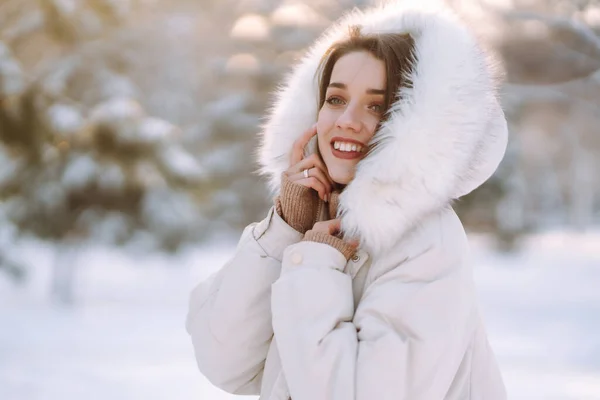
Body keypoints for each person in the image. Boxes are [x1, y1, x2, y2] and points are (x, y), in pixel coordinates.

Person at [186, 1, 508, 399]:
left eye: (376, 105)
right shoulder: (314, 221)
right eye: (336, 99)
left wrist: (316, 268)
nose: (347, 121)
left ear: (414, 126)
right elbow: (226, 364)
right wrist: (286, 229)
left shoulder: (427, 241)